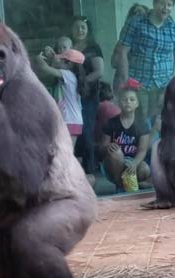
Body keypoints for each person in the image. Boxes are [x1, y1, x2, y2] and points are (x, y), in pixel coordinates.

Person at [115, 0, 175, 139]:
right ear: (154, 3)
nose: (165, 8)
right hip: (138, 84)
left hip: (163, 85)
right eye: (162, 3)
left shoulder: (174, 29)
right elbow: (122, 51)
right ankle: (141, 158)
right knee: (139, 125)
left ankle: (156, 157)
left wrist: (171, 82)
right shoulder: (136, 23)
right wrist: (126, 82)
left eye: (169, 5)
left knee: (162, 124)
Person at [99, 79, 151, 191]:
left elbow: (142, 150)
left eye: (132, 99)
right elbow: (102, 147)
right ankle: (120, 186)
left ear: (137, 103)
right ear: (118, 102)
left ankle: (131, 183)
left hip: (132, 162)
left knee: (145, 169)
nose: (128, 102)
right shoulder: (111, 122)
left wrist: (134, 163)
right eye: (124, 99)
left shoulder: (142, 124)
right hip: (113, 164)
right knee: (116, 153)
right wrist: (108, 147)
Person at [71, 15, 104, 177]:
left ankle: (90, 169)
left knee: (86, 131)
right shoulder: (67, 46)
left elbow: (99, 71)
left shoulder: (93, 47)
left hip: (87, 96)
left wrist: (82, 82)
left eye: (83, 27)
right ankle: (74, 170)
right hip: (69, 97)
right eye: (77, 27)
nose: (80, 30)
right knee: (72, 131)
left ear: (88, 29)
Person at [35, 47, 86, 146]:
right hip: (76, 121)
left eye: (62, 60)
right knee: (67, 152)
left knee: (64, 152)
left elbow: (45, 68)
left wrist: (38, 59)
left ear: (69, 64)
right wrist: (54, 57)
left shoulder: (67, 75)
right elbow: (55, 67)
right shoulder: (75, 77)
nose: (59, 62)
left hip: (69, 120)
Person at [111, 3, 149, 91]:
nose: (137, 17)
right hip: (123, 80)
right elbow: (113, 62)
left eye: (141, 14)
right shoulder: (124, 37)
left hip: (143, 82)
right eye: (135, 13)